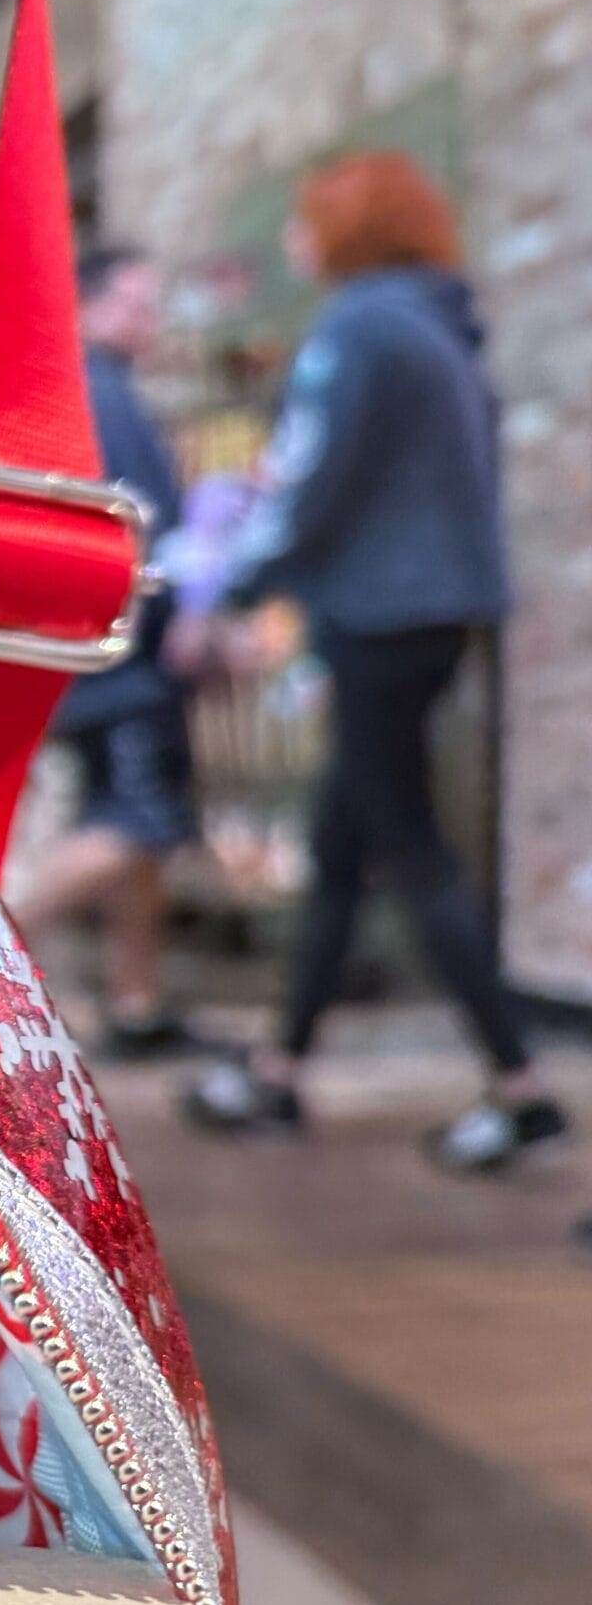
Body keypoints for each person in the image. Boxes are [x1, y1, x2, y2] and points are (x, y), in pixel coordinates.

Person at [184, 151, 565, 1171]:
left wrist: (232, 589)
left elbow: (314, 481)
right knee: (346, 838)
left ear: (348, 227)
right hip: (433, 616)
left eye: (307, 223)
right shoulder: (438, 325)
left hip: (378, 617)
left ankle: (517, 1081)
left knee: (404, 841)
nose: (293, 244)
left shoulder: (357, 328)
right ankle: (280, 1069)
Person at [9, 246, 201, 1058]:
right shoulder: (103, 397)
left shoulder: (89, 393)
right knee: (137, 819)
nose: (147, 316)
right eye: (132, 298)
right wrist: (185, 621)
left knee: (134, 825)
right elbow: (138, 527)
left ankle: (136, 1000)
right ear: (86, 305)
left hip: (95, 654)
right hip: (121, 661)